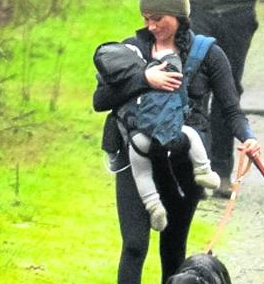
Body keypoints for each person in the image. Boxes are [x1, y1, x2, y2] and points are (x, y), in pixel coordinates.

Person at [92, 0, 261, 284]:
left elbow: (231, 107)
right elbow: (99, 100)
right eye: (146, 16)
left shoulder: (207, 54)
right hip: (135, 161)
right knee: (134, 245)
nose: (151, 25)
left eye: (159, 18)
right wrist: (143, 79)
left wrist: (247, 137)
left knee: (173, 251)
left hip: (183, 165)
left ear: (179, 15)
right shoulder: (131, 52)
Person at [144, 0, 264, 198]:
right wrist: (153, 5)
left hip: (238, 10)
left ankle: (221, 169)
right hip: (192, 8)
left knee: (228, 89)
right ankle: (190, 167)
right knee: (191, 88)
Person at [93, 43, 221, 232]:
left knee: (142, 174)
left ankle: (153, 205)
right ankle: (203, 171)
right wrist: (168, 56)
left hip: (136, 139)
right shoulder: (155, 70)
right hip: (167, 132)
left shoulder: (116, 84)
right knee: (192, 135)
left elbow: (109, 117)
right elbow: (175, 73)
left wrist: (112, 155)